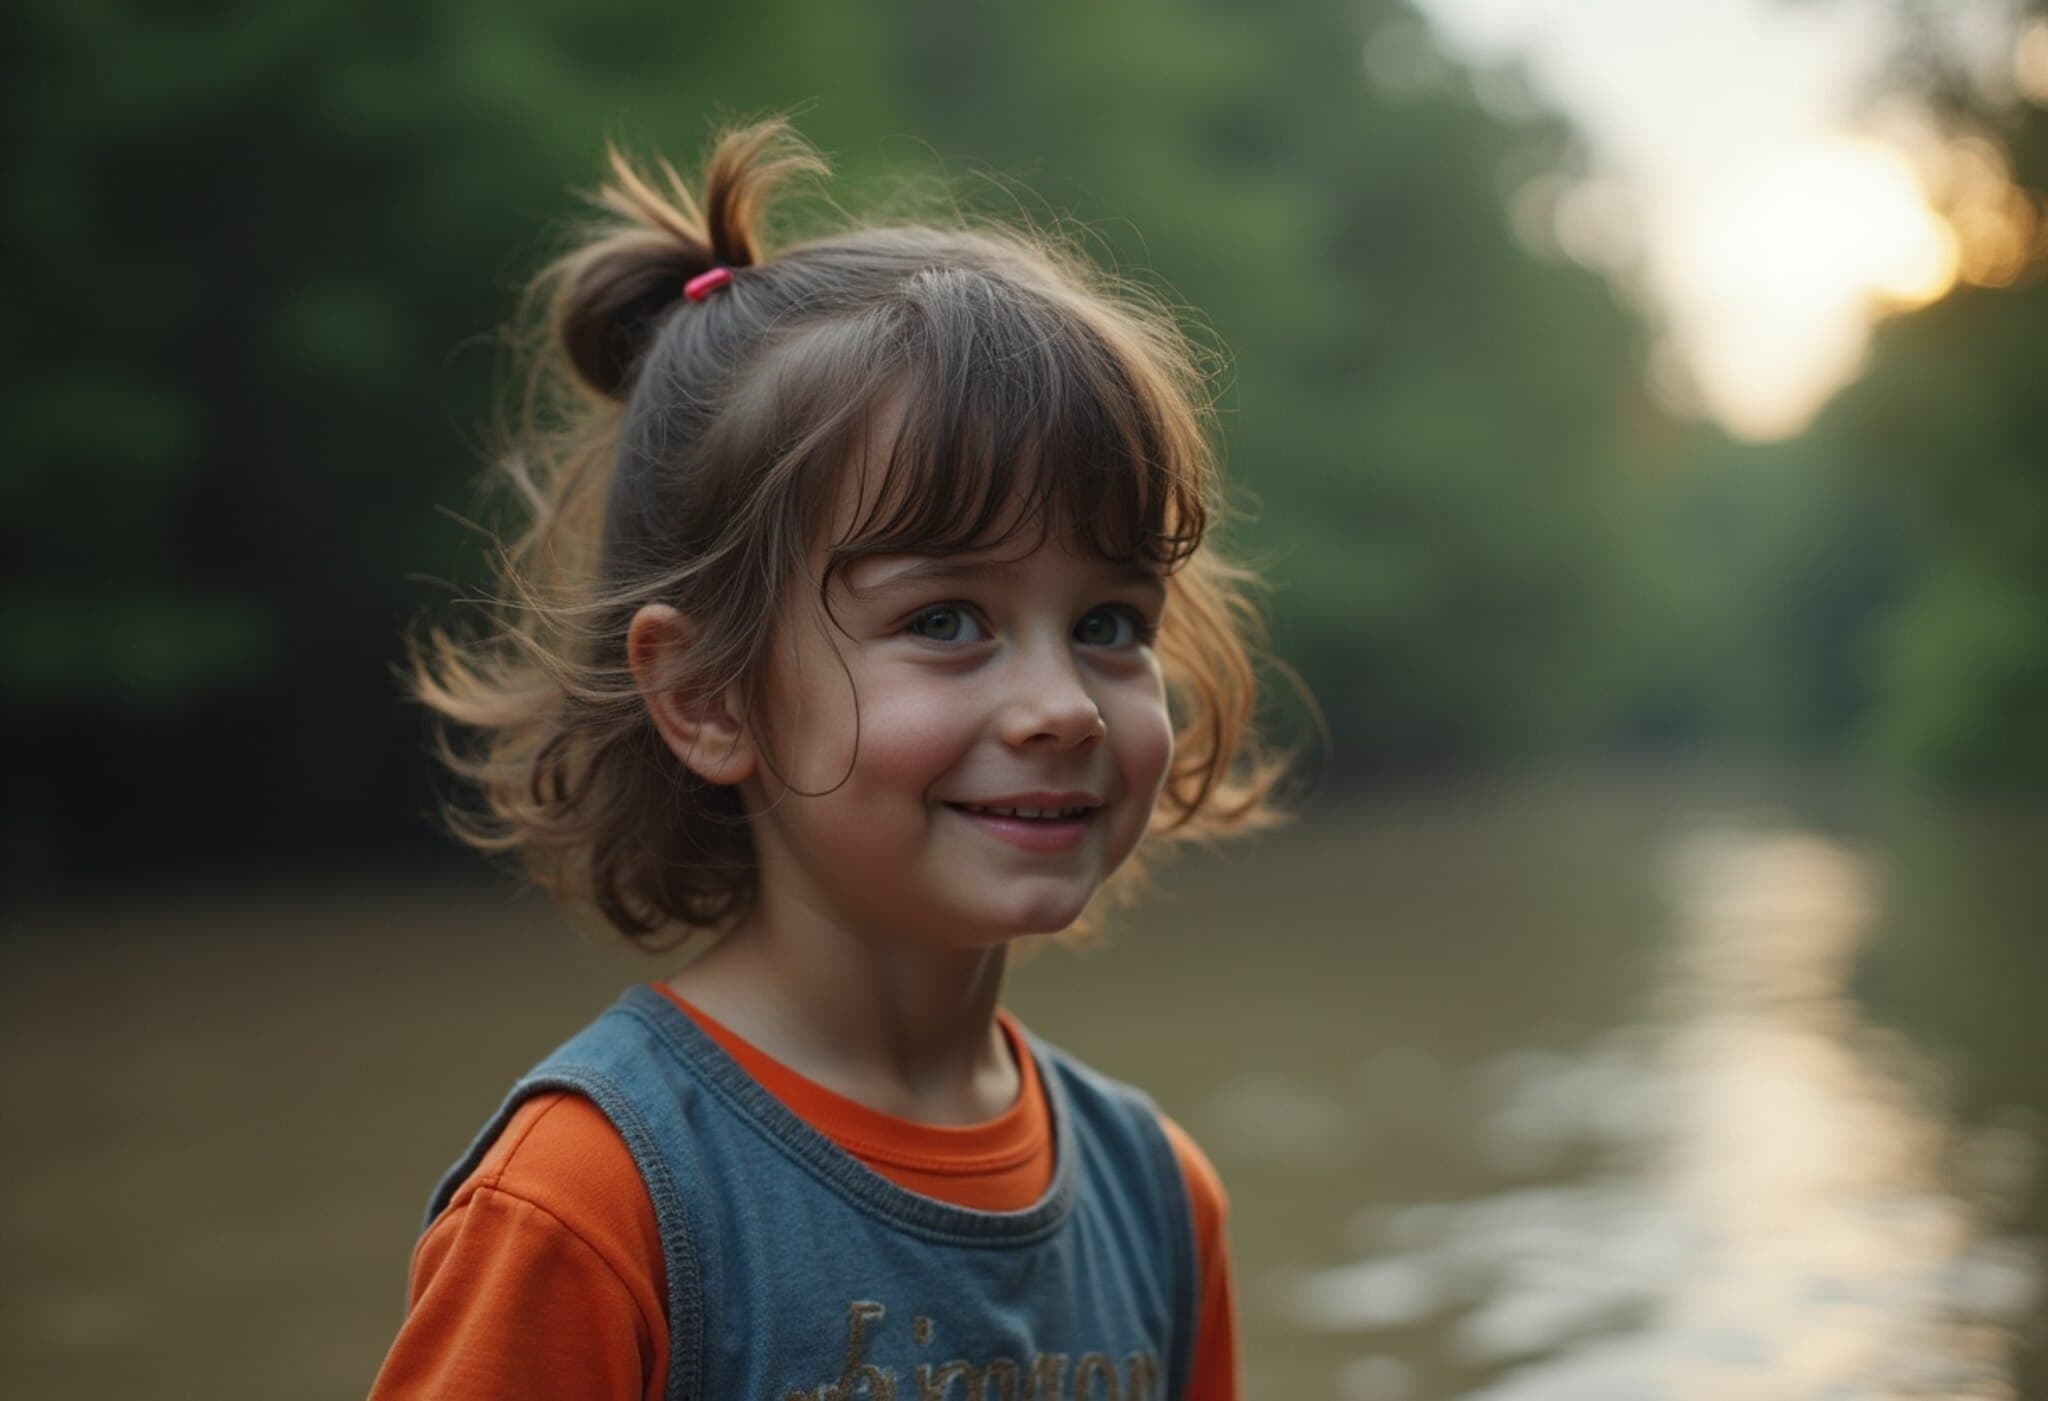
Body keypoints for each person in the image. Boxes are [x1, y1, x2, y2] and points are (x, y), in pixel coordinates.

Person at [369, 115, 1291, 1401]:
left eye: (1106, 625)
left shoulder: (1158, 1199)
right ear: (705, 698)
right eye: (944, 621)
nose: (1062, 705)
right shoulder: (595, 1204)